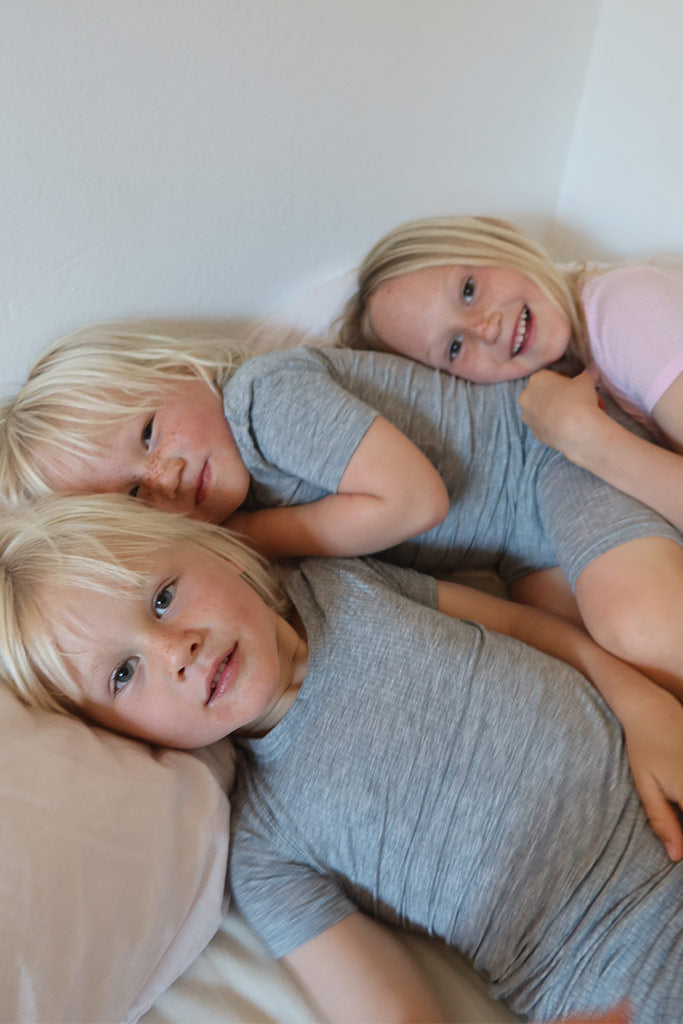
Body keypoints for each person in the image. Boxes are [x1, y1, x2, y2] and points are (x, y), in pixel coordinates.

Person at [0, 493, 680, 1024]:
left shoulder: (347, 585)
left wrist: (639, 703)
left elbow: (516, 625)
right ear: (121, 735)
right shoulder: (265, 849)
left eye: (162, 597)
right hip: (615, 968)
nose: (176, 649)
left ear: (216, 549)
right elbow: (393, 1012)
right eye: (122, 675)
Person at [1, 326, 683, 700]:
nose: (165, 477)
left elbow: (415, 500)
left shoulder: (262, 400)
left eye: (149, 433)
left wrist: (255, 537)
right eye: (132, 498)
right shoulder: (243, 494)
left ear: (178, 368)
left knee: (641, 638)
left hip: (547, 461)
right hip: (518, 549)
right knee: (595, 676)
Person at [338, 215, 683, 535]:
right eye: (455, 348)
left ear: (497, 238)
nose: (485, 330)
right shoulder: (558, 379)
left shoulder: (624, 309)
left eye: (468, 290)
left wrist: (585, 438)